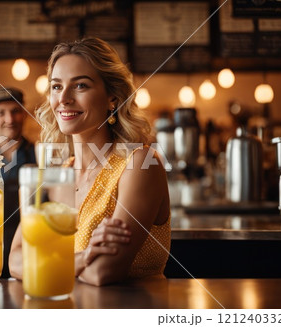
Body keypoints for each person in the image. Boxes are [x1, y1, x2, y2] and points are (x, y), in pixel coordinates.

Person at [9, 38, 170, 286]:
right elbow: (15, 260)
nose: (63, 98)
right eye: (56, 87)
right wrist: (83, 258)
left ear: (112, 98)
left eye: (80, 85)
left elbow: (103, 272)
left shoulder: (140, 163)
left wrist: (44, 264)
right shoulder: (56, 174)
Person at [0, 86, 36, 278]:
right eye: (1, 113)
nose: (10, 119)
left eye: (15, 112)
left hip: (28, 253)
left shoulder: (38, 155)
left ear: (25, 115)